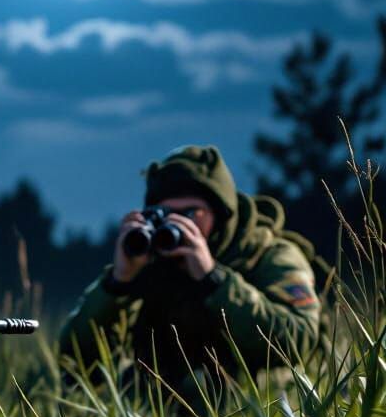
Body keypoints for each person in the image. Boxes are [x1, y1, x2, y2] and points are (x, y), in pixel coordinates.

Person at [59, 145, 322, 396]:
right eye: (164, 213)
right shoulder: (149, 263)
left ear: (220, 213)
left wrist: (213, 279)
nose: (177, 223)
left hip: (259, 415)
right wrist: (118, 282)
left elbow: (297, 342)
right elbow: (76, 363)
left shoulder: (268, 255)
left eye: (190, 213)